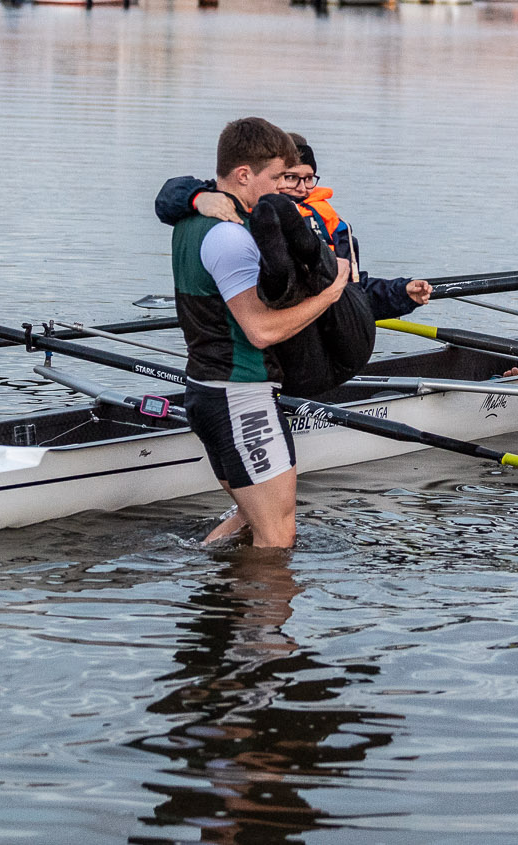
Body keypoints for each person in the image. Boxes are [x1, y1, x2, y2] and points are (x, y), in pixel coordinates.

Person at [172, 117, 351, 548]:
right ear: (243, 175)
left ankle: (210, 592)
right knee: (277, 535)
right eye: (276, 178)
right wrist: (331, 292)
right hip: (241, 395)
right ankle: (263, 615)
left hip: (206, 389)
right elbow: (260, 331)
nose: (282, 190)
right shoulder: (231, 238)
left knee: (251, 519)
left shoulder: (188, 221)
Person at [157, 134, 432, 318]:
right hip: (261, 329)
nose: (301, 189)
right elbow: (169, 195)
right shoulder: (244, 204)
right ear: (272, 177)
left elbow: (352, 294)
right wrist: (198, 197)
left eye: (308, 179)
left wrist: (402, 293)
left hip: (315, 334)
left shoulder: (334, 227)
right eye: (290, 178)